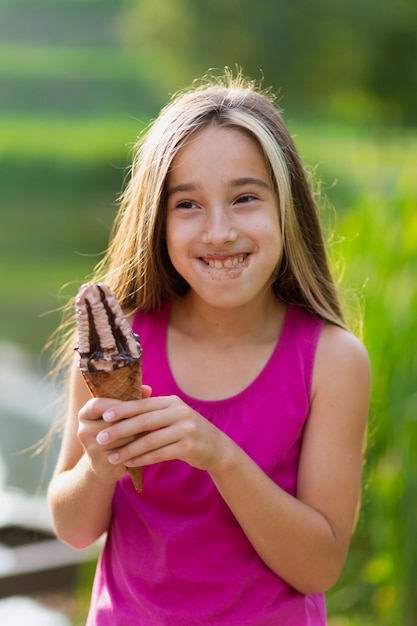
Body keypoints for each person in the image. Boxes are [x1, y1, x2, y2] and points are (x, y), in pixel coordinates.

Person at [47, 70, 370, 625]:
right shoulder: (118, 343)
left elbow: (318, 568)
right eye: (188, 205)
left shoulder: (331, 360)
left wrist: (219, 456)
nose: (218, 232)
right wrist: (98, 468)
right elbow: (74, 530)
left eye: (245, 198)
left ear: (286, 207)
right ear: (158, 221)